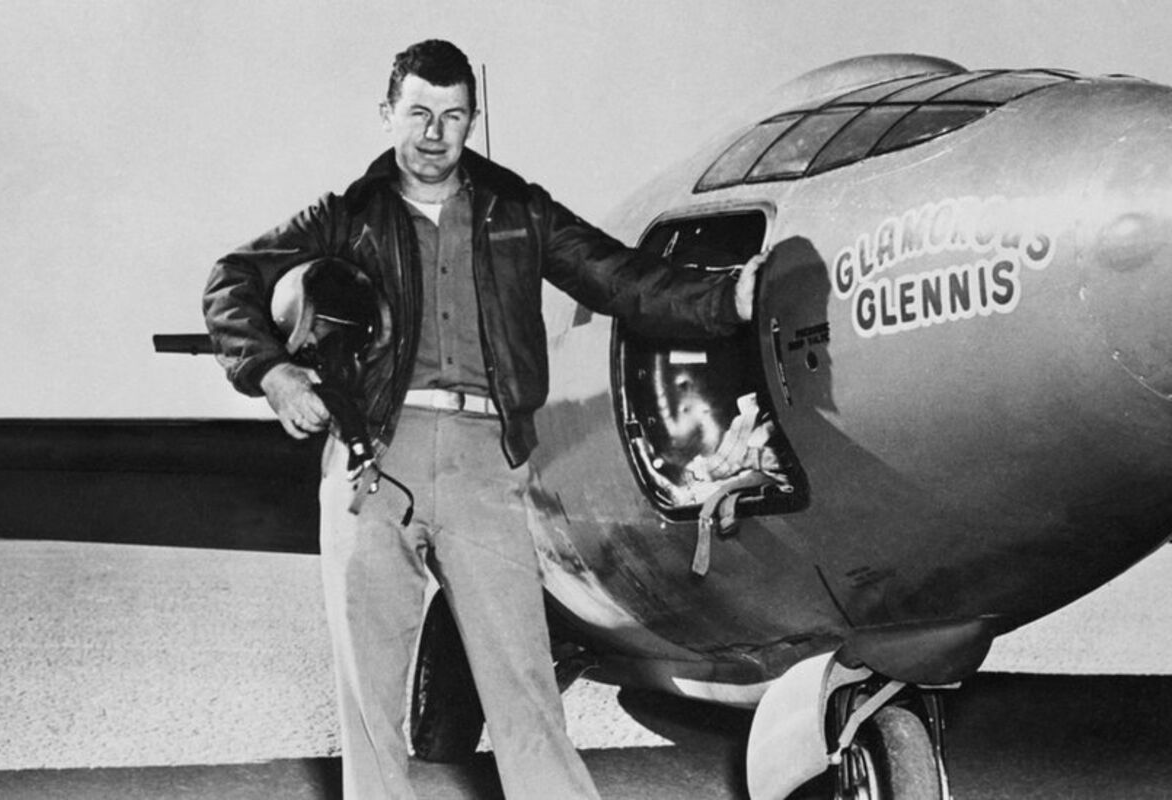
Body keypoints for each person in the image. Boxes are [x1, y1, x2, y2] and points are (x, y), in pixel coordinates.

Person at [203, 39, 765, 800]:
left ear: (474, 118)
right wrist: (273, 374)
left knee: (523, 687)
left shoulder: (519, 210)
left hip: (484, 464)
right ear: (387, 114)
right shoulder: (346, 216)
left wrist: (726, 299)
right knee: (369, 698)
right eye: (418, 114)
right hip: (373, 460)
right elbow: (231, 279)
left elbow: (622, 281)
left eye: (453, 116)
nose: (434, 134)